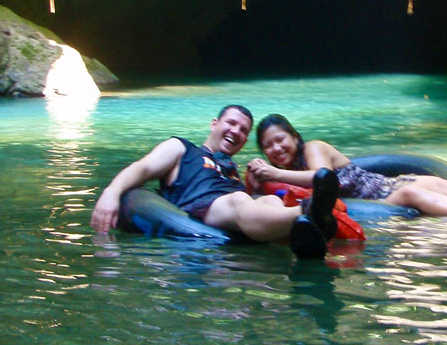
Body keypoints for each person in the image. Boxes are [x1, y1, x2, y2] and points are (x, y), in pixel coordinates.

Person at [91, 105, 342, 258]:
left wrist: (254, 187)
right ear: (214, 124)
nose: (236, 131)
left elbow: (251, 204)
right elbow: (142, 167)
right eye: (231, 123)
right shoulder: (182, 149)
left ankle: (304, 230)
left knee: (267, 200)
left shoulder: (231, 169)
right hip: (201, 207)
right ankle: (310, 212)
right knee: (238, 200)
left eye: (243, 131)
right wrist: (112, 192)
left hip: (235, 213)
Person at [247, 113, 447, 220]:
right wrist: (259, 179)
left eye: (280, 139)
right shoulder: (280, 179)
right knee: (413, 193)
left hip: (381, 187)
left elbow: (323, 178)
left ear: (295, 137)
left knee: (435, 183)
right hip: (378, 199)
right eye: (268, 146)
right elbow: (262, 194)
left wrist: (274, 172)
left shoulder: (313, 148)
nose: (276, 148)